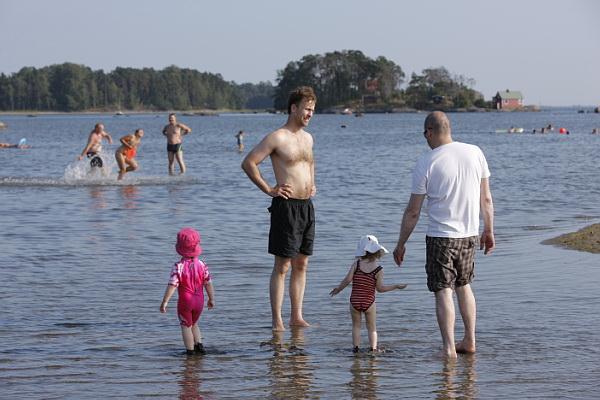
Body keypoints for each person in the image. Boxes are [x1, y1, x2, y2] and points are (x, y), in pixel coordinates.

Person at [393, 111, 495, 359]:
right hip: (469, 234)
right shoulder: (475, 152)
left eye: (424, 134)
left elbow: (413, 212)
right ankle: (470, 340)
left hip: (441, 237)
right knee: (464, 285)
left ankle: (449, 349)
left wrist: (401, 244)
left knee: (442, 290)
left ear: (429, 131)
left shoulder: (427, 161)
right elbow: (487, 199)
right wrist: (489, 230)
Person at [241, 86, 317, 332]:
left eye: (312, 110)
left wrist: (312, 184)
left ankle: (297, 316)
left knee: (302, 264)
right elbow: (249, 162)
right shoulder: (278, 137)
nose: (309, 114)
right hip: (286, 207)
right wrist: (268, 188)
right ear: (294, 108)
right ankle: (278, 320)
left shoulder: (308, 138)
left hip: (306, 206)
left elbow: (309, 163)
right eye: (306, 109)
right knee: (282, 265)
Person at [330, 235, 407, 353]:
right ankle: (373, 349)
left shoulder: (357, 264)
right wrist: (395, 286)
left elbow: (347, 280)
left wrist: (338, 289)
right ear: (377, 251)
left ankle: (355, 349)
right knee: (372, 328)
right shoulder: (379, 269)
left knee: (356, 326)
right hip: (369, 302)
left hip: (354, 300)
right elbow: (380, 289)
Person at [160, 228, 215, 355]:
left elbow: (173, 285)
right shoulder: (202, 264)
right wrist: (211, 298)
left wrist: (165, 301)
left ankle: (190, 352)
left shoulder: (178, 266)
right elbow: (208, 282)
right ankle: (199, 346)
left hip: (186, 301)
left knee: (186, 326)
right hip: (199, 301)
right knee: (194, 323)